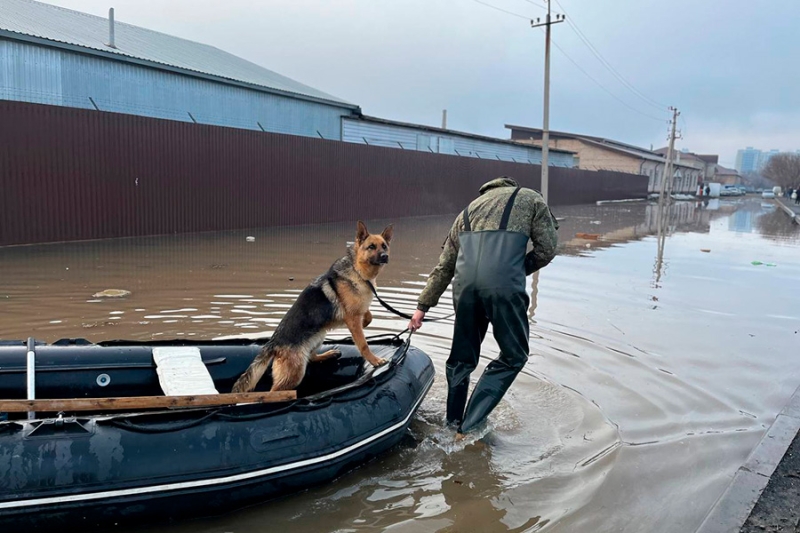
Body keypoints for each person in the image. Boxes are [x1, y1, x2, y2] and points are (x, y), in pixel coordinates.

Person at [408, 176, 558, 438]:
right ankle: (468, 428)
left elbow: (445, 267)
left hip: (465, 289)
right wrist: (516, 269)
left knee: (461, 360)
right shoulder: (530, 198)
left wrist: (422, 308)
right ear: (509, 186)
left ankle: (452, 424)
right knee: (514, 356)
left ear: (487, 191)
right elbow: (547, 249)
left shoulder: (466, 212)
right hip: (504, 286)